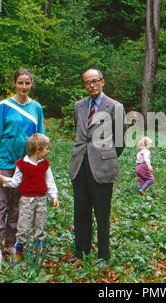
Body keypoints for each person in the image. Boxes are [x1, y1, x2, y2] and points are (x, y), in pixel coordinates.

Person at [68, 68, 126, 267]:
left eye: (95, 81)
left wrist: (107, 156)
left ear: (103, 82)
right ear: (84, 85)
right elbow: (80, 131)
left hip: (102, 167)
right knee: (81, 211)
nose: (91, 85)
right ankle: (81, 251)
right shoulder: (78, 106)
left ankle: (103, 255)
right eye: (87, 82)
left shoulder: (115, 107)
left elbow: (120, 140)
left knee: (102, 213)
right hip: (80, 165)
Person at [0, 68, 45, 260]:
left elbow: (40, 141)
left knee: (17, 207)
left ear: (31, 85)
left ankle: (11, 244)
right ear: (14, 84)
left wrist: (39, 167)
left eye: (27, 83)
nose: (24, 86)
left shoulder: (36, 108)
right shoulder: (4, 106)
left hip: (25, 166)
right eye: (20, 82)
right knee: (0, 205)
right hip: (3, 162)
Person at [0, 133, 59, 265]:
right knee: (23, 227)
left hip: (41, 200)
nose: (48, 151)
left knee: (40, 226)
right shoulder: (22, 165)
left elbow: (50, 181)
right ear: (38, 149)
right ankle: (18, 253)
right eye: (47, 148)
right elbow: (16, 181)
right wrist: (4, 179)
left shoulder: (45, 165)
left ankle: (38, 253)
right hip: (26, 201)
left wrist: (53, 196)